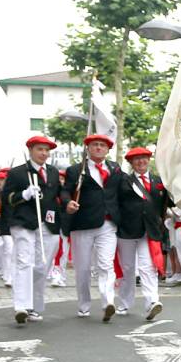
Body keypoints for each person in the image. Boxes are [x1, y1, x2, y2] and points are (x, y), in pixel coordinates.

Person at [62, 134, 122, 320]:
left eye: (102, 145)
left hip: (108, 223)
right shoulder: (75, 170)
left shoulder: (115, 168)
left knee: (106, 264)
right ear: (88, 148)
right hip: (82, 224)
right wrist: (68, 202)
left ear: (107, 149)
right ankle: (83, 305)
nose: (98, 148)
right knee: (83, 268)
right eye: (94, 145)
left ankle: (108, 303)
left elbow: (123, 190)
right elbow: (65, 190)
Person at [2, 136, 61, 325]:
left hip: (48, 223)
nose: (43, 153)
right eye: (39, 149)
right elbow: (7, 198)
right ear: (31, 150)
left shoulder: (52, 172)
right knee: (23, 262)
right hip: (24, 223)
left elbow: (58, 196)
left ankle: (34, 306)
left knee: (41, 266)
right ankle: (21, 306)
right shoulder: (17, 173)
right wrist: (24, 194)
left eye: (46, 150)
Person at [115, 146, 172, 322]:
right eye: (137, 159)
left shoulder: (159, 181)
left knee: (148, 267)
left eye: (144, 158)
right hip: (127, 230)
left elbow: (168, 202)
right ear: (131, 163)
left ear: (149, 160)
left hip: (150, 231)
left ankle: (152, 302)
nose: (141, 161)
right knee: (128, 268)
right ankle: (124, 302)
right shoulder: (123, 181)